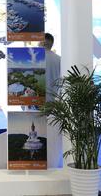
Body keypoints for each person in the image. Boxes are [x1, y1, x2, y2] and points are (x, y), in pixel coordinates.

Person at [41, 32, 62, 168]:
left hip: (35, 103)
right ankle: (51, 162)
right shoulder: (60, 59)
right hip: (53, 103)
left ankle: (38, 161)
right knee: (52, 134)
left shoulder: (35, 59)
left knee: (37, 131)